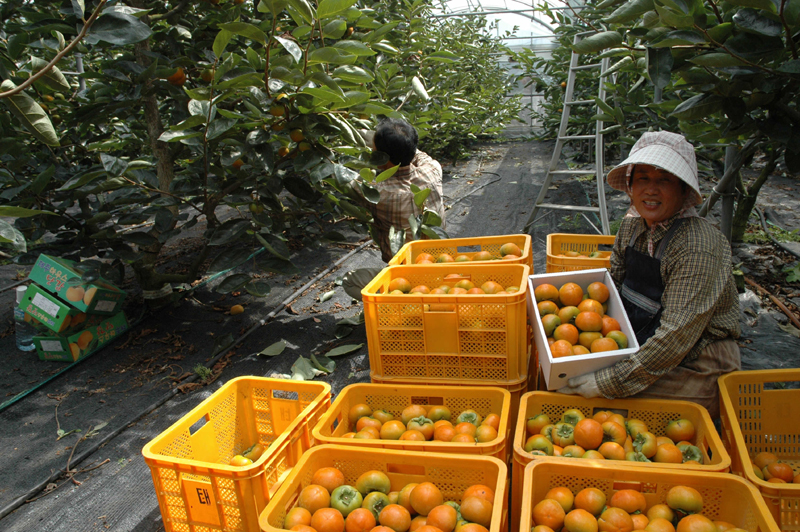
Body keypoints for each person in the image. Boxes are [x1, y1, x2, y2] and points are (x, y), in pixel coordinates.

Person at [557, 130, 741, 418]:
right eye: (642, 178)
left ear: (684, 190)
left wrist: (608, 381)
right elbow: (613, 288)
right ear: (630, 185)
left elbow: (677, 336)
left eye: (664, 180)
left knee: (588, 406)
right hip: (643, 345)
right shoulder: (632, 226)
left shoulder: (697, 245)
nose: (651, 190)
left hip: (698, 362)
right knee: (565, 383)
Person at [355, 118, 446, 262]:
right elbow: (417, 153)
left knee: (355, 276)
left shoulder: (378, 193)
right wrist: (396, 138)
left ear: (382, 157)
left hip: (404, 268)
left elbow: (345, 178)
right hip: (442, 259)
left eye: (374, 149)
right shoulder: (432, 171)